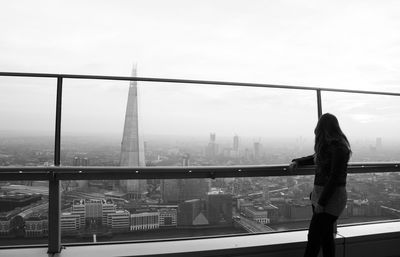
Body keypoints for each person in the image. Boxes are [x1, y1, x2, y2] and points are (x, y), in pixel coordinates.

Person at [289, 113, 351, 257]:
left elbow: (335, 178)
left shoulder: (340, 149)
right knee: (326, 238)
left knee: (314, 238)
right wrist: (297, 161)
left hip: (330, 199)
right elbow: (315, 157)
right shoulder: (329, 146)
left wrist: (322, 203)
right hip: (320, 196)